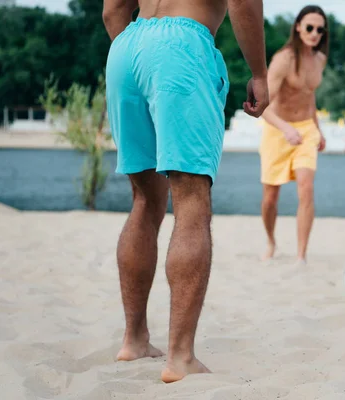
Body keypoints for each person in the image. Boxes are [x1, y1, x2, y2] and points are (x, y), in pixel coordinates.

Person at [103, 0, 269, 383]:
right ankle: (180, 357)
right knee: (192, 201)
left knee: (145, 200)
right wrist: (258, 72)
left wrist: (140, 56)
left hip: (126, 50)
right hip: (182, 46)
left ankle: (134, 339)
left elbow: (113, 10)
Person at [259, 5, 329, 264]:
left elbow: (310, 97)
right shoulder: (284, 59)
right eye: (309, 27)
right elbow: (262, 106)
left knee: (306, 188)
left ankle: (301, 255)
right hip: (278, 128)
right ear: (298, 27)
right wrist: (286, 128)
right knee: (270, 197)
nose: (314, 33)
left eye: (320, 30)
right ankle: (271, 240)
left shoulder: (320, 60)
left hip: (305, 130)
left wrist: (318, 130)